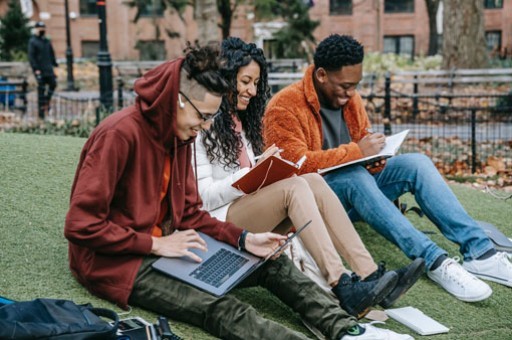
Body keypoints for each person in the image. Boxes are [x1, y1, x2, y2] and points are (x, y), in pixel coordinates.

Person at [64, 42, 412, 340]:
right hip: (124, 263)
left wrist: (245, 239)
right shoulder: (118, 136)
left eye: (209, 120)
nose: (203, 128)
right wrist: (156, 244)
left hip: (176, 245)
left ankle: (348, 330)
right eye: (201, 117)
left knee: (270, 262)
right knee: (219, 307)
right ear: (179, 100)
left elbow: (190, 215)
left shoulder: (179, 135)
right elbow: (80, 225)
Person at [263, 34, 512, 302]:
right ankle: (436, 261)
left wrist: (374, 158)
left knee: (416, 163)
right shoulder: (284, 106)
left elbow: (362, 142)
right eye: (344, 86)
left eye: (355, 86)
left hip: (358, 187)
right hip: (316, 203)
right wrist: (357, 153)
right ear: (322, 75)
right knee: (352, 175)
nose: (350, 94)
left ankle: (480, 253)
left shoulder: (351, 98)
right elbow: (292, 168)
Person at [194, 37, 424, 318]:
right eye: (245, 82)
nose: (252, 91)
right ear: (225, 77)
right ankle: (340, 283)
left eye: (255, 83)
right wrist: (253, 173)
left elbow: (243, 173)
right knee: (294, 187)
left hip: (246, 207)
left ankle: (368, 274)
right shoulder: (200, 123)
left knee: (312, 180)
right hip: (220, 222)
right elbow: (203, 197)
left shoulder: (242, 122)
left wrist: (262, 167)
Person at [28, 21, 58, 119]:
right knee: (41, 90)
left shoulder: (46, 41)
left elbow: (51, 54)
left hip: (49, 69)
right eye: (40, 28)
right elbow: (32, 57)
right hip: (40, 70)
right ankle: (41, 114)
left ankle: (46, 101)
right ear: (36, 29)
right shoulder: (33, 41)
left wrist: (55, 65)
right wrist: (36, 69)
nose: (42, 30)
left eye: (43, 28)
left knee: (53, 84)